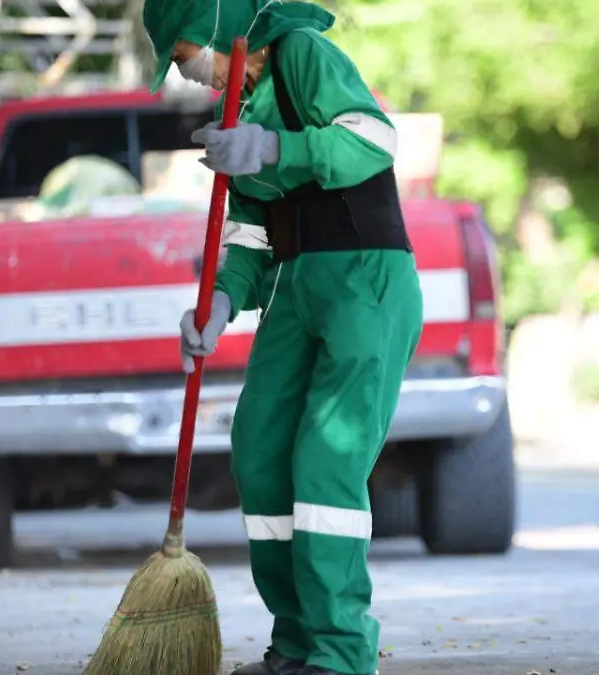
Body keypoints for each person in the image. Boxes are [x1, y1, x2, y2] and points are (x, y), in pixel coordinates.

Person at [140, 1, 425, 674]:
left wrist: (276, 147)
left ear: (212, 28)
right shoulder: (241, 107)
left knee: (326, 461)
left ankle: (341, 651)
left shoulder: (300, 54)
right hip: (294, 287)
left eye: (183, 58)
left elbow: (373, 139)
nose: (188, 78)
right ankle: (296, 641)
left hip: (364, 279)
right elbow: (246, 234)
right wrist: (218, 300)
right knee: (261, 448)